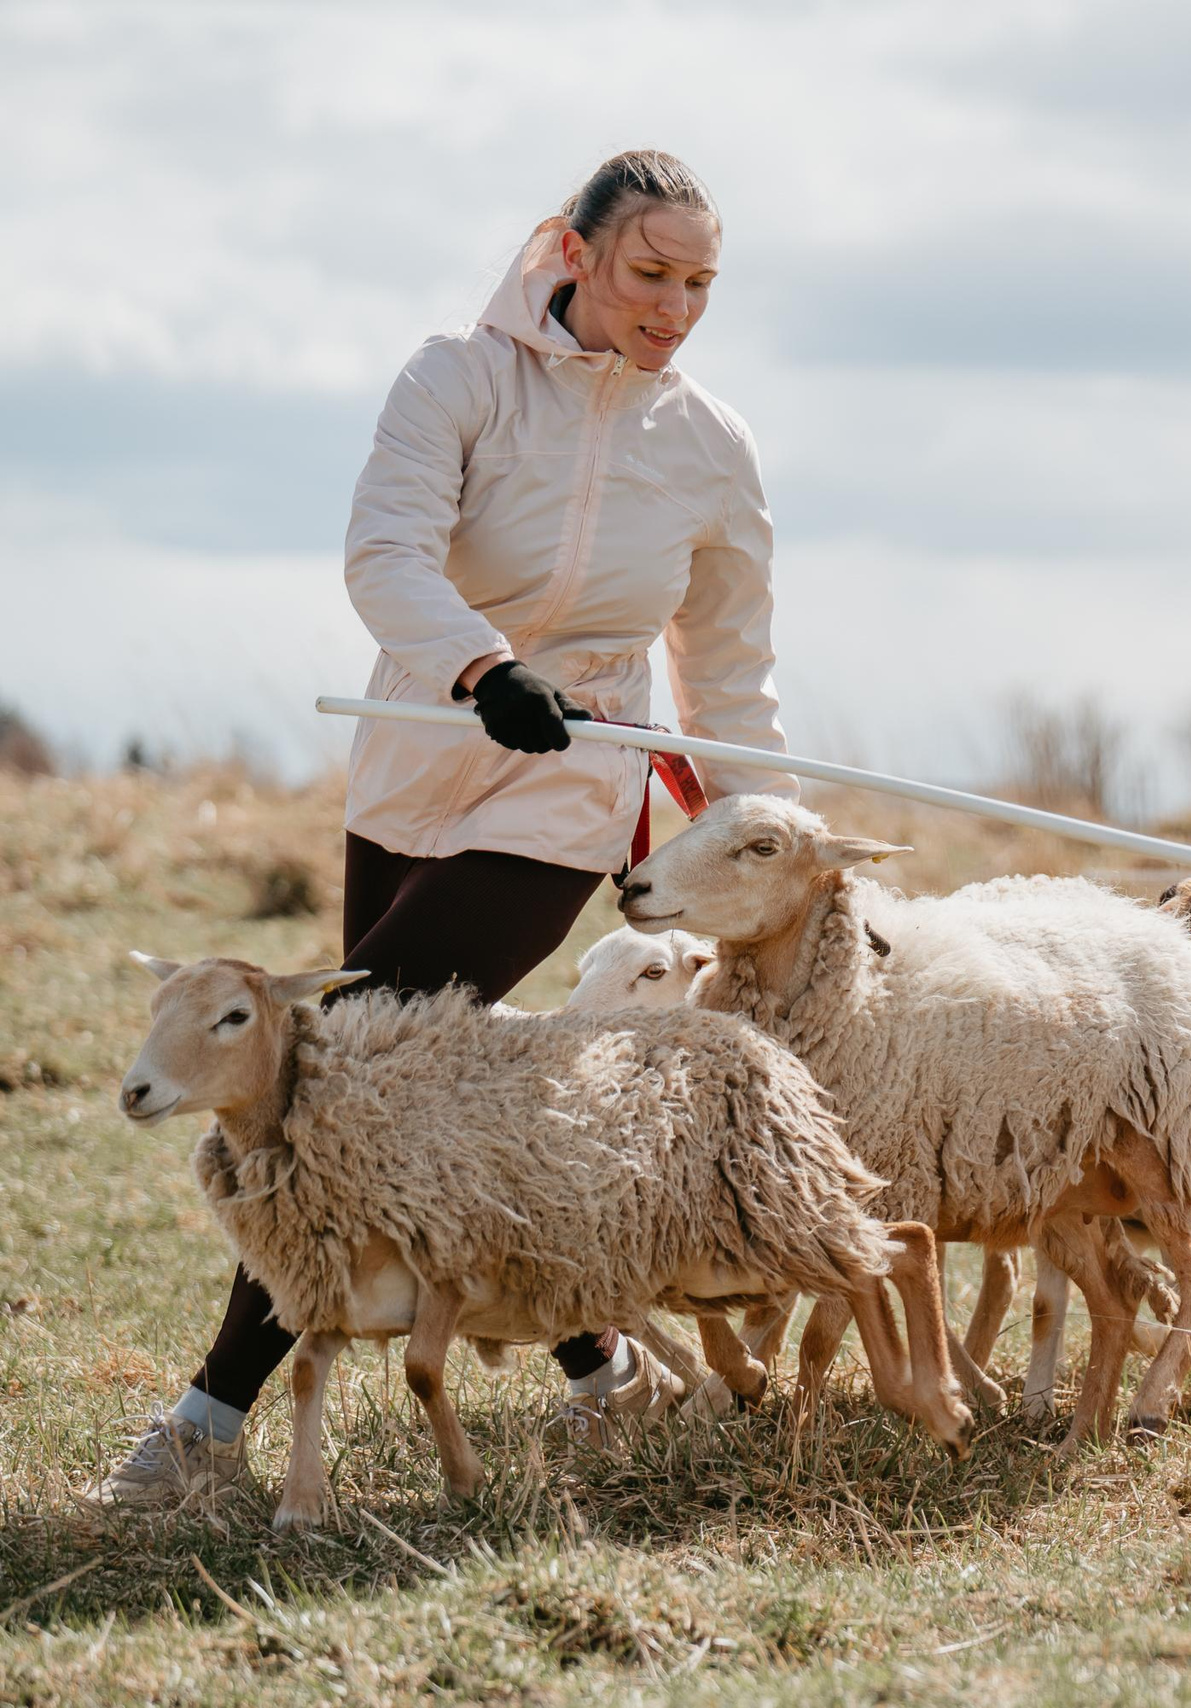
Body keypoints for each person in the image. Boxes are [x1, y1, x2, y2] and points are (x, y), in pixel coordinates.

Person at [90, 150, 796, 1509]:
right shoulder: (454, 379)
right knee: (407, 1105)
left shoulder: (711, 443)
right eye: (651, 273)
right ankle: (601, 1370)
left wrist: (762, 835)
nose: (676, 306)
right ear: (571, 251)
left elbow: (731, 667)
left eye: (701, 282)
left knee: (338, 1085)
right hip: (420, 755)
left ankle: (202, 1433)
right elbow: (386, 551)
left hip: (577, 774)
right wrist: (478, 667)